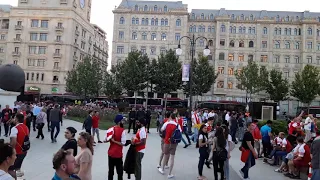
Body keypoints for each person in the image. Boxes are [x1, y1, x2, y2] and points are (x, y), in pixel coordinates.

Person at [158, 113, 182, 178]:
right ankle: (170, 173)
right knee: (172, 158)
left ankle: (162, 169)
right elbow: (180, 131)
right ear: (175, 118)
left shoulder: (167, 123)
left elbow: (162, 129)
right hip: (174, 142)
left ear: (170, 117)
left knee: (166, 155)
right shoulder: (177, 125)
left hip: (167, 141)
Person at [8, 113, 29, 179]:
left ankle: (21, 179)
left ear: (16, 119)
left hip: (17, 152)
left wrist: (10, 151)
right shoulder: (26, 127)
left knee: (9, 169)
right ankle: (20, 178)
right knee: (17, 168)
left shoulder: (14, 128)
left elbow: (13, 142)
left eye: (14, 118)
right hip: (24, 151)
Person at [107, 114, 126, 180]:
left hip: (111, 153)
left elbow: (106, 139)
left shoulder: (111, 129)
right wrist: (114, 141)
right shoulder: (122, 130)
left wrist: (111, 140)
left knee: (111, 171)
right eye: (122, 120)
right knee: (120, 172)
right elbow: (123, 143)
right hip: (118, 154)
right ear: (119, 122)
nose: (123, 121)